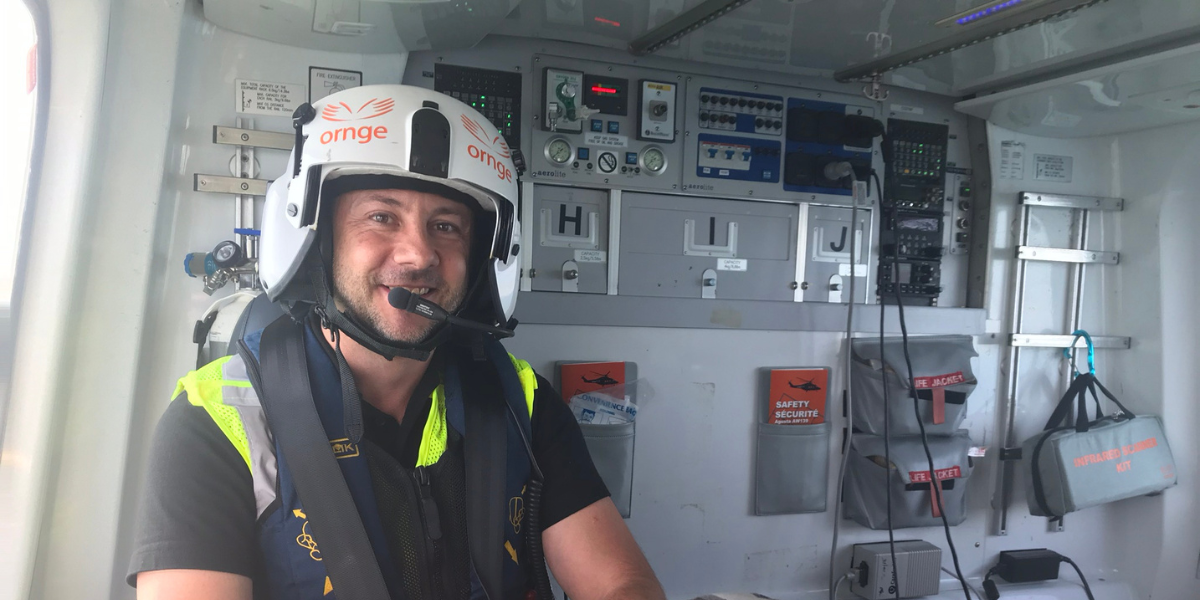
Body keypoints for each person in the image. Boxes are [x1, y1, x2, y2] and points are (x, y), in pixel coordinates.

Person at [127, 84, 665, 600]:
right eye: (381, 217)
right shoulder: (217, 422)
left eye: (446, 226)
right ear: (316, 239)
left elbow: (621, 584)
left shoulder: (519, 400)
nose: (418, 254)